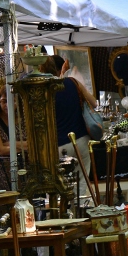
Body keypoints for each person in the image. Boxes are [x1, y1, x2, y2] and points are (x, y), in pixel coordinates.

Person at [47, 54, 96, 188]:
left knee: (60, 188)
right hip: (81, 140)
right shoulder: (73, 82)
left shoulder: (44, 91)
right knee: (82, 185)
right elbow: (94, 103)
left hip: (58, 144)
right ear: (58, 69)